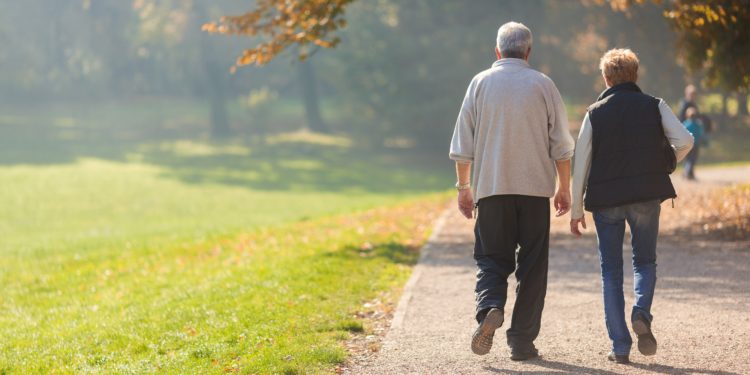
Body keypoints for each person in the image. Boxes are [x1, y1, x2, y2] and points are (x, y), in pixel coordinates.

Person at [449, 21, 574, 361]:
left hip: (492, 190)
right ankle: (521, 342)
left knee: (491, 258)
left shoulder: (480, 83)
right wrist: (564, 188)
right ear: (528, 51)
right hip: (535, 193)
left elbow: (463, 144)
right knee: (532, 267)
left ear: (497, 51)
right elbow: (562, 146)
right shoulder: (543, 84)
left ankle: (490, 307)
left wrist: (464, 188)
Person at [569, 49, 694, 364]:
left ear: (606, 78)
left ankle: (620, 347)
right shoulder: (655, 105)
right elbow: (686, 141)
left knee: (610, 271)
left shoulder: (594, 112)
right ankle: (641, 313)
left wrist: (575, 208)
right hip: (646, 195)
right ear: (635, 75)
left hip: (606, 201)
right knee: (645, 262)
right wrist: (666, 162)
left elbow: (580, 160)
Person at [682, 107, 705, 180]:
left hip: (687, 144)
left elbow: (682, 134)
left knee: (689, 159)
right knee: (692, 160)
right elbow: (701, 133)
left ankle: (689, 174)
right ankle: (687, 173)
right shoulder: (698, 124)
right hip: (695, 144)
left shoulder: (685, 124)